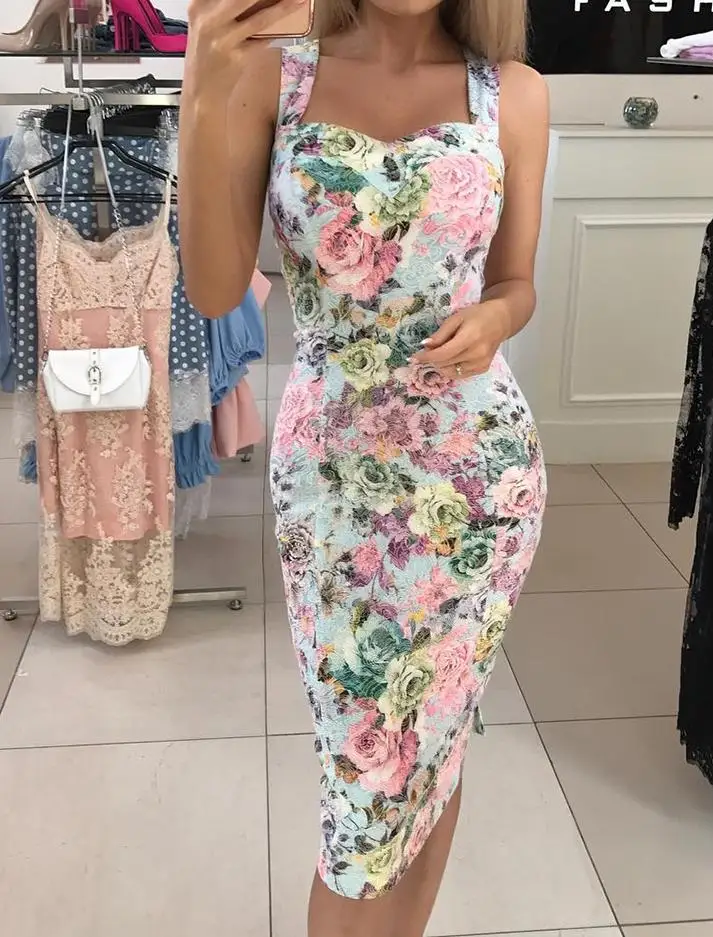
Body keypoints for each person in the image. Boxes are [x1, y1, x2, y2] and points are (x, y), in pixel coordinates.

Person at [179, 1, 549, 935]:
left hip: (480, 479)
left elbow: (516, 282)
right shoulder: (272, 78)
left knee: (433, 748)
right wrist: (200, 88)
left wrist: (496, 317)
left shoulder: (512, 94)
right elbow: (215, 290)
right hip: (332, 484)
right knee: (363, 780)